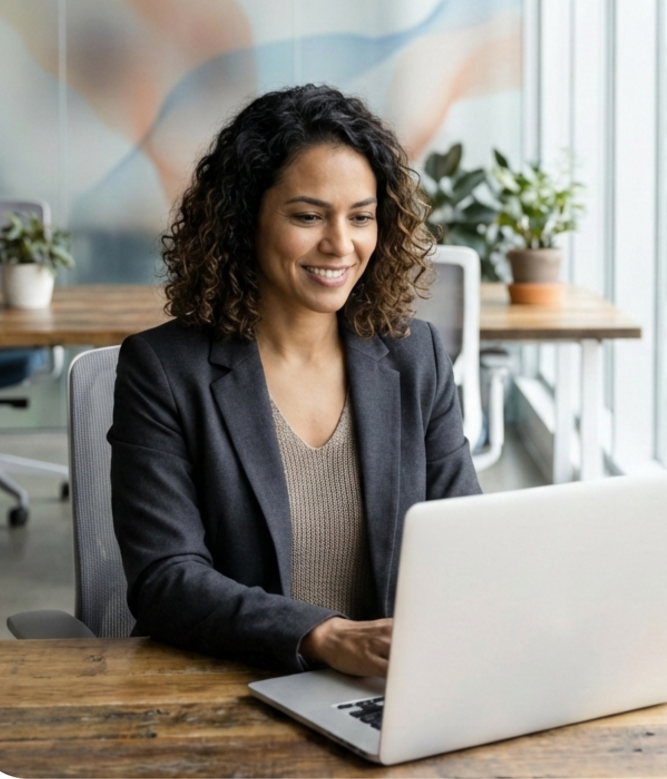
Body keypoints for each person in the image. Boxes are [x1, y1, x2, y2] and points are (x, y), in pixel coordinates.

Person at [108, 85, 481, 678]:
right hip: (228, 685)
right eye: (308, 216)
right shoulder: (164, 371)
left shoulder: (416, 358)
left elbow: (467, 539)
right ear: (243, 222)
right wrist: (320, 635)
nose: (340, 244)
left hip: (382, 687)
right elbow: (166, 577)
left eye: (361, 217)